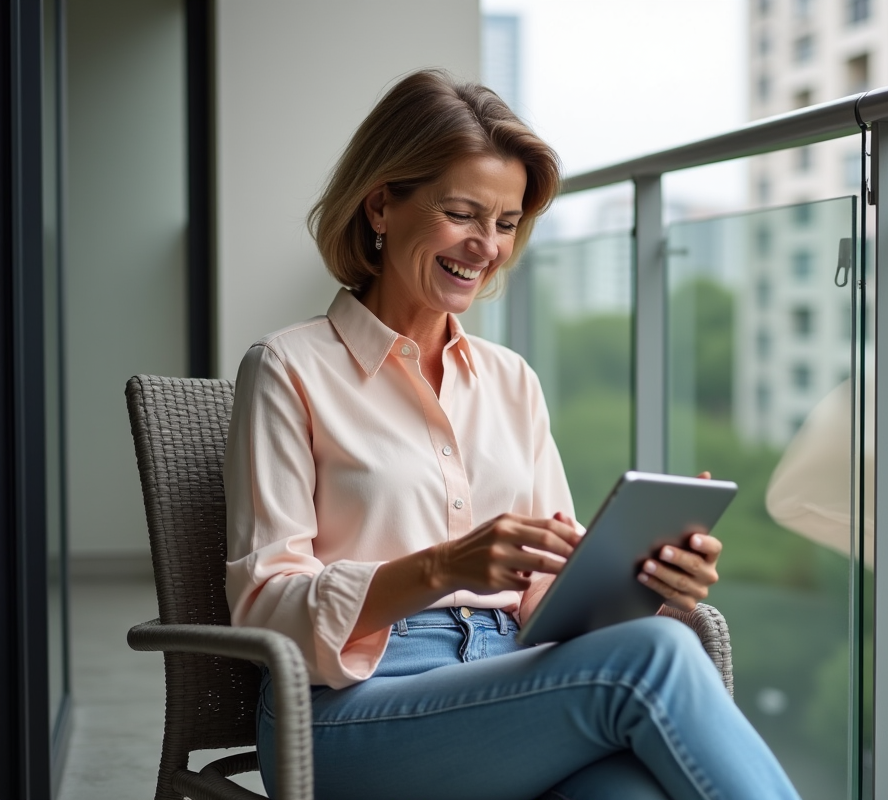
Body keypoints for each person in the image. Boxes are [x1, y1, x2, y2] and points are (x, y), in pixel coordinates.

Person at [224, 69, 800, 800]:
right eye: (464, 214)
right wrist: (439, 569)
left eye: (505, 223)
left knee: (636, 790)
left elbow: (547, 594)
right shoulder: (287, 369)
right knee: (654, 659)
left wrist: (647, 584)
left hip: (508, 693)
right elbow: (264, 605)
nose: (487, 247)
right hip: (344, 716)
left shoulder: (511, 381)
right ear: (380, 206)